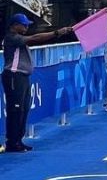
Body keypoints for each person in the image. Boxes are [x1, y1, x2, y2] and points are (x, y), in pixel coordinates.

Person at [2, 14, 71, 153]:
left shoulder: (18, 38)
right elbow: (35, 38)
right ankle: (12, 142)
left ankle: (18, 140)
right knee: (15, 110)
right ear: (14, 25)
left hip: (22, 76)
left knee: (23, 108)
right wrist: (56, 33)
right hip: (14, 76)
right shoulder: (11, 37)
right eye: (24, 24)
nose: (27, 27)